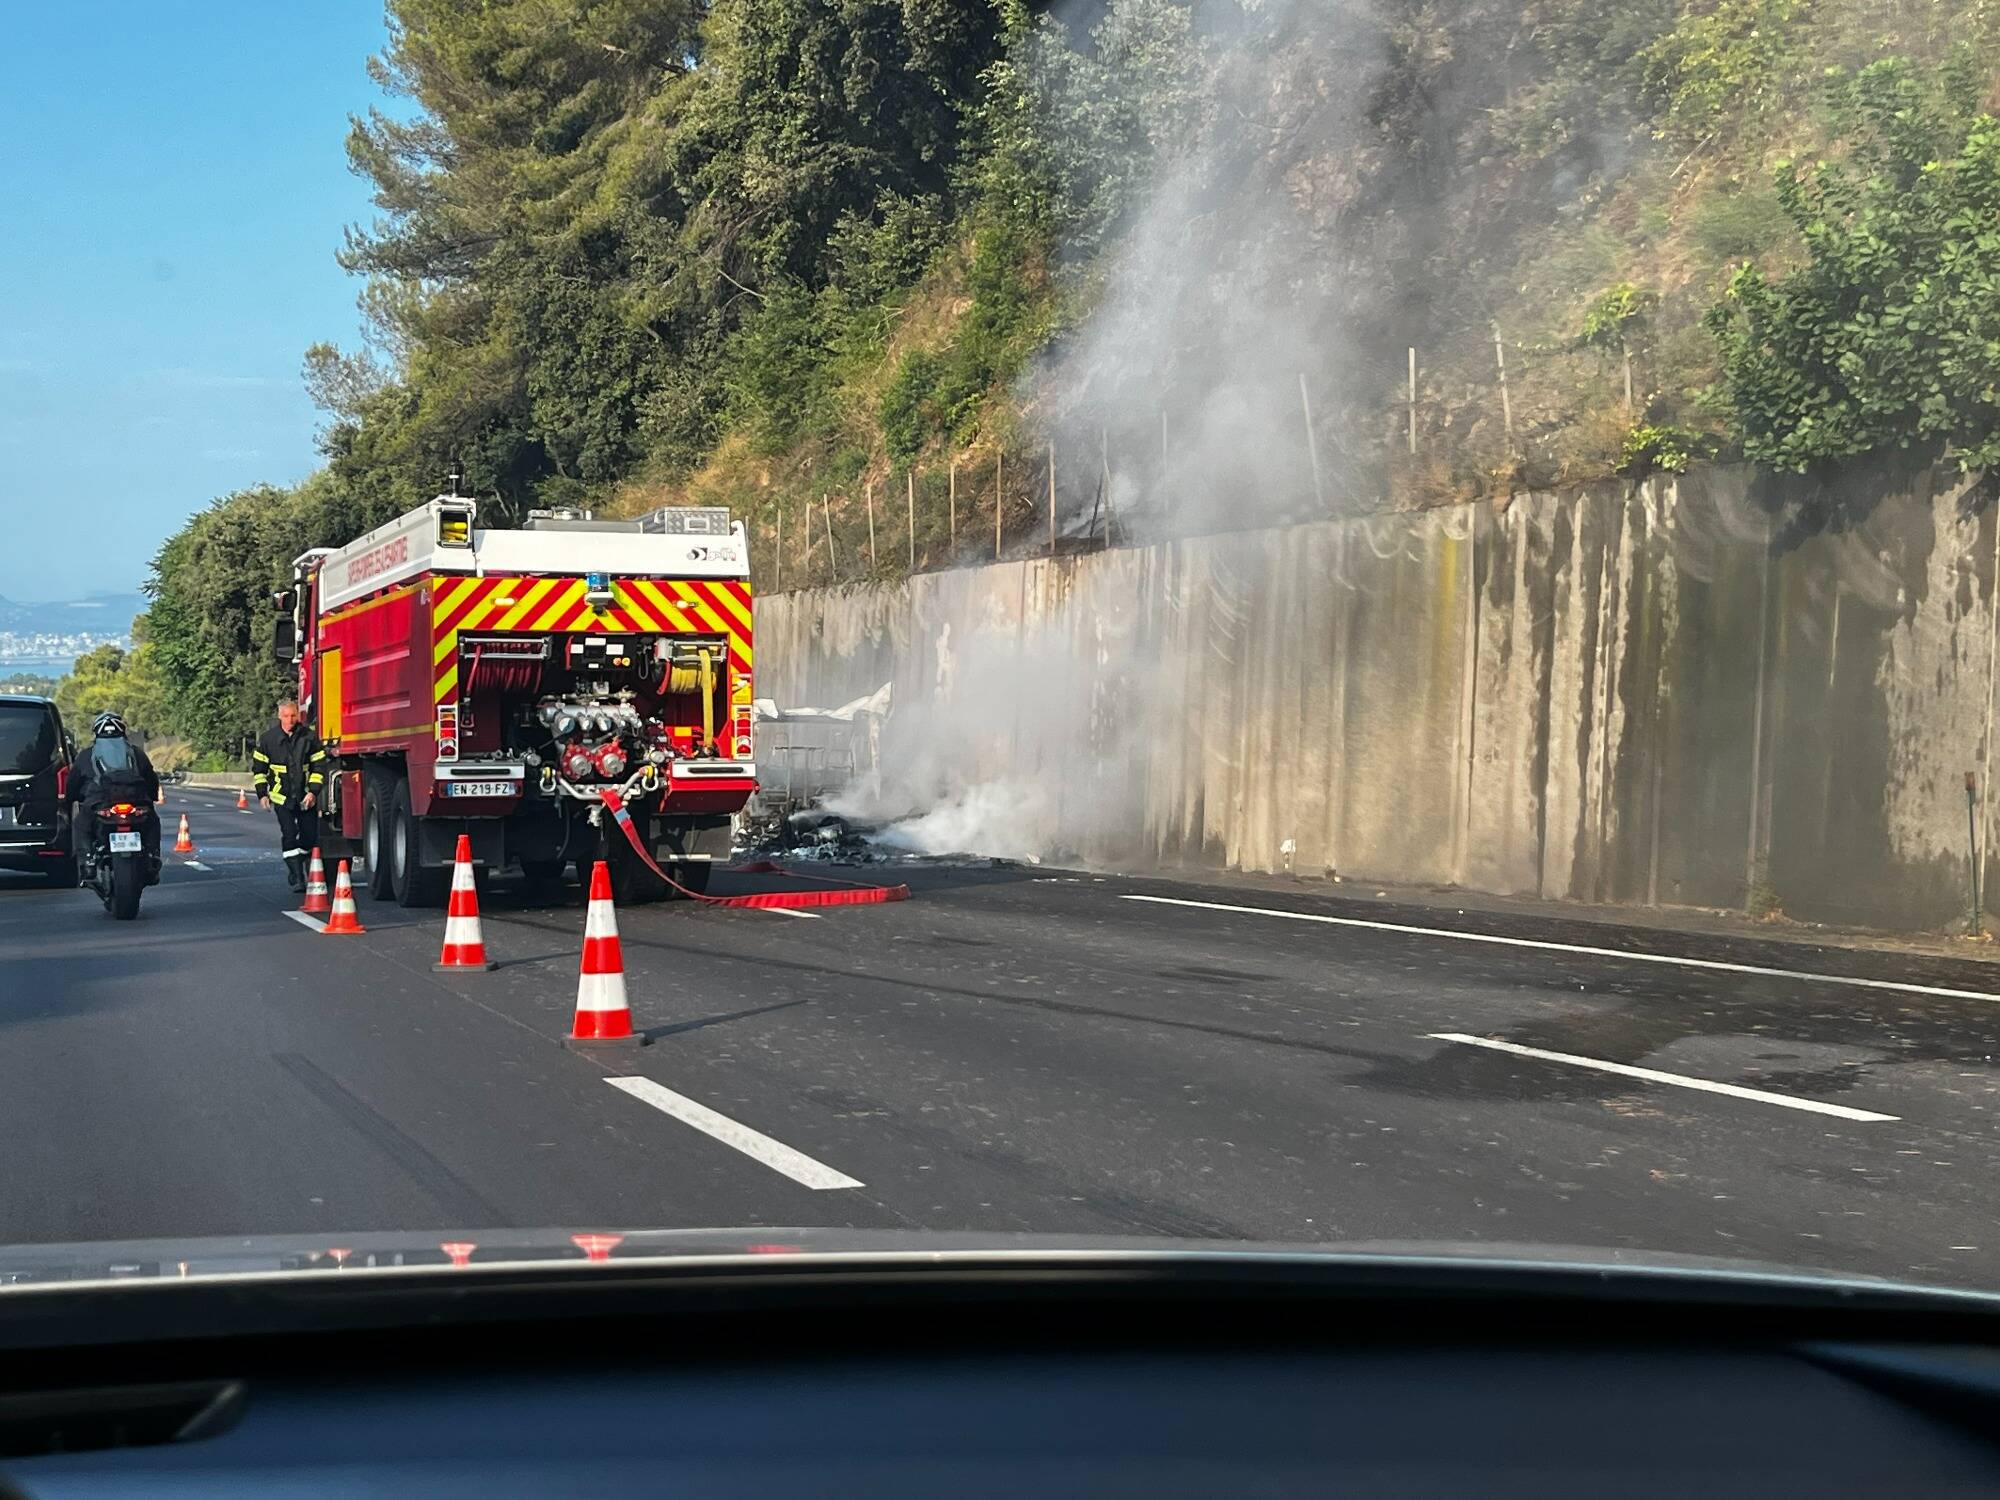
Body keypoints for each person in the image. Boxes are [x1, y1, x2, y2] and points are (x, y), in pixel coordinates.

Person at [67, 711, 163, 884]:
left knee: (81, 825)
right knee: (153, 821)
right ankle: (152, 855)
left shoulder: (86, 755)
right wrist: (152, 797)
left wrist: (70, 798)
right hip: (137, 802)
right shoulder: (137, 754)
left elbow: (72, 783)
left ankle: (88, 860)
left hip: (99, 803)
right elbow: (150, 779)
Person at [253, 698, 328, 892]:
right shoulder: (269, 739)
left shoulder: (309, 738)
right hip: (281, 797)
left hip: (305, 797)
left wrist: (313, 792)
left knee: (309, 836)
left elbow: (319, 767)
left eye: (293, 715)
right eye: (286, 716)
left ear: (298, 715)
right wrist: (263, 794)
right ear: (279, 716)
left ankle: (301, 859)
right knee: (289, 834)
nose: (290, 719)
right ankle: (296, 875)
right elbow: (259, 770)